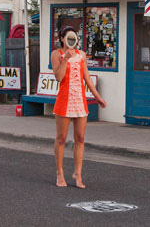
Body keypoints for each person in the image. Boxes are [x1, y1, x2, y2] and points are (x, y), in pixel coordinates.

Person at [51, 25, 106, 188]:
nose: (70, 40)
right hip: (64, 99)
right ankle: (59, 173)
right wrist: (66, 58)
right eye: (67, 37)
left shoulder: (81, 54)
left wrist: (98, 97)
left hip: (79, 100)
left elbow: (87, 78)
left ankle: (78, 174)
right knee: (61, 138)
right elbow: (59, 78)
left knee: (80, 138)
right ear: (62, 39)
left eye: (73, 37)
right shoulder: (57, 54)